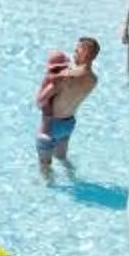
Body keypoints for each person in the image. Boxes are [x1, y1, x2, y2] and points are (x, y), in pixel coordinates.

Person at [34, 38, 100, 181]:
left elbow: (40, 101)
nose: (74, 54)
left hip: (51, 125)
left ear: (85, 53)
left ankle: (49, 187)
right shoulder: (93, 79)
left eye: (76, 51)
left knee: (45, 165)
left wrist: (47, 80)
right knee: (62, 158)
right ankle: (73, 178)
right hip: (68, 124)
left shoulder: (65, 78)